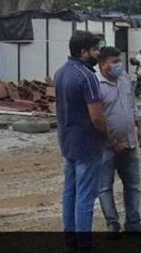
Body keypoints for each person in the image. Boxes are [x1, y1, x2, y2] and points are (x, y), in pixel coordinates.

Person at [54, 31, 122, 252]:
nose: (98, 53)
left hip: (67, 142)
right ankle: (84, 244)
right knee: (84, 196)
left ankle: (71, 239)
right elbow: (96, 116)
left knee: (70, 193)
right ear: (83, 52)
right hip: (86, 144)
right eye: (94, 50)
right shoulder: (87, 76)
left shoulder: (61, 73)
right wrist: (109, 137)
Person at [96, 46, 141, 234]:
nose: (118, 65)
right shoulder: (95, 84)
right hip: (106, 145)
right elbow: (96, 118)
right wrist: (113, 141)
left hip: (129, 142)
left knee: (133, 184)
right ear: (102, 63)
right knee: (105, 186)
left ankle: (133, 223)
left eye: (119, 61)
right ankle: (112, 223)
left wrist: (139, 125)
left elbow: (132, 105)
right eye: (114, 62)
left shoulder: (124, 79)